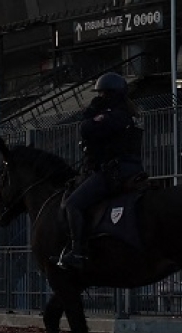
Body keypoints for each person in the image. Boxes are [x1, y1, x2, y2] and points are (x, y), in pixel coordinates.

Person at [58, 72, 145, 270]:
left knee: (73, 203)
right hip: (129, 167)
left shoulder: (113, 115)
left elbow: (87, 129)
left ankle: (78, 251)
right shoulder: (126, 114)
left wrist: (90, 112)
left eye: (102, 94)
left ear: (110, 94)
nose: (99, 97)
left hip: (114, 171)